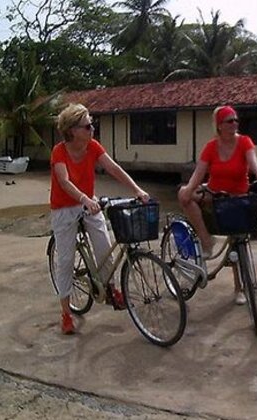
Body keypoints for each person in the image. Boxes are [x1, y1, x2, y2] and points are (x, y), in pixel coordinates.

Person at [50, 103, 150, 335]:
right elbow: (64, 182)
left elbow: (113, 168)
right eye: (87, 126)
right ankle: (66, 312)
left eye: (91, 125)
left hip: (89, 204)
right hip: (64, 208)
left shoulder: (93, 146)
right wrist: (85, 199)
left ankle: (112, 288)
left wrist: (137, 190)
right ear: (72, 130)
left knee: (105, 247)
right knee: (65, 261)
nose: (92, 129)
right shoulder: (59, 151)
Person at [177, 105, 257, 305]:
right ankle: (206, 239)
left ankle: (239, 288)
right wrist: (189, 189)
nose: (234, 124)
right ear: (219, 126)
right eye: (229, 121)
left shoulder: (244, 142)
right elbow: (199, 173)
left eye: (236, 120)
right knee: (185, 196)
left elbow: (253, 162)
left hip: (238, 196)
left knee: (238, 238)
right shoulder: (211, 146)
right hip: (215, 193)